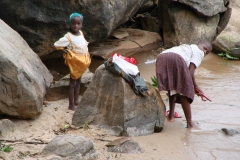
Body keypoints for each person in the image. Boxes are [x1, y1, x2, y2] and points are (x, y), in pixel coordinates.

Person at [155, 39, 212, 128]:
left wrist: (194, 86)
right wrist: (194, 87)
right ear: (198, 44)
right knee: (184, 92)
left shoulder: (186, 48)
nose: (204, 52)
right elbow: (191, 72)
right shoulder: (198, 51)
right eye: (205, 48)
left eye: (207, 52)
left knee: (172, 87)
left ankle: (171, 116)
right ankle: (189, 124)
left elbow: (188, 71)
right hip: (177, 58)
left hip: (162, 57)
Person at [54, 12, 91, 111]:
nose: (76, 26)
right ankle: (71, 105)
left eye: (78, 24)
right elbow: (56, 44)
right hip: (75, 61)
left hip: (82, 61)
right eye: (73, 23)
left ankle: (76, 100)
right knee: (72, 83)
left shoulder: (81, 33)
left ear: (81, 25)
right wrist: (63, 50)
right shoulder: (68, 37)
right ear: (70, 24)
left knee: (78, 82)